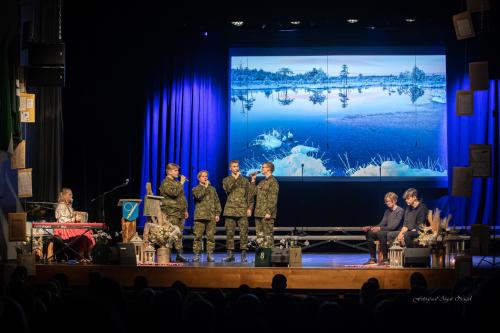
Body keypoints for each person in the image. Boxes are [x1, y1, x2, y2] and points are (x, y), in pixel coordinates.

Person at [222, 160, 253, 262]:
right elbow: (228, 189)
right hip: (230, 210)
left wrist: (249, 208)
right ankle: (230, 255)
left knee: (244, 232)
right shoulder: (226, 180)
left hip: (242, 210)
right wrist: (236, 179)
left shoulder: (244, 181)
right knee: (229, 233)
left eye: (237, 166)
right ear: (230, 168)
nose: (236, 168)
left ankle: (243, 255)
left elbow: (249, 196)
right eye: (234, 167)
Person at [362, 192, 404, 265]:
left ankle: (385, 259)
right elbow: (382, 223)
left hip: (395, 231)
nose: (387, 203)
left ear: (395, 201)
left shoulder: (400, 210)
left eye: (389, 201)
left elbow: (394, 226)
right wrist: (371, 227)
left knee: (381, 233)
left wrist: (379, 228)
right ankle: (373, 258)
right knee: (369, 233)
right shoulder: (387, 211)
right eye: (386, 201)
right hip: (386, 230)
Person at [55, 188, 95, 263]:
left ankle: (87, 254)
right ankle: (81, 255)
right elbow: (62, 220)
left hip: (70, 227)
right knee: (84, 234)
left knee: (88, 232)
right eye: (69, 194)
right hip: (65, 228)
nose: (71, 196)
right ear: (64, 195)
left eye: (71, 194)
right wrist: (74, 219)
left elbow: (71, 215)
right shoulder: (61, 206)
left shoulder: (68, 206)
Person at [159, 163, 189, 262]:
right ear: (168, 171)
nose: (178, 172)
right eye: (175, 170)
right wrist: (181, 183)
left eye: (177, 170)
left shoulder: (176, 183)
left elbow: (181, 197)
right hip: (171, 212)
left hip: (179, 212)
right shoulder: (165, 182)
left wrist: (185, 210)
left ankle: (179, 255)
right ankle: (168, 255)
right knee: (171, 233)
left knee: (179, 234)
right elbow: (173, 194)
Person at [192, 170, 221, 263]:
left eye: (206, 176)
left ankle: (210, 254)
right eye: (203, 176)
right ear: (199, 178)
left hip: (211, 216)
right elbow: (199, 197)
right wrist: (205, 187)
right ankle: (196, 254)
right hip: (200, 216)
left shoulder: (212, 189)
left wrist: (217, 213)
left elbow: (217, 202)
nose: (205, 178)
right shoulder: (195, 189)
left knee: (211, 237)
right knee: (197, 236)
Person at [250, 162, 279, 249]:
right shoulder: (262, 182)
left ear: (269, 169)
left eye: (263, 167)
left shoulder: (273, 182)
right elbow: (253, 193)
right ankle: (262, 258)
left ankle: (269, 257)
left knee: (268, 236)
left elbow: (273, 199)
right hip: (258, 213)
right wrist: (253, 181)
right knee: (260, 236)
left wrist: (269, 212)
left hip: (267, 213)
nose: (261, 169)